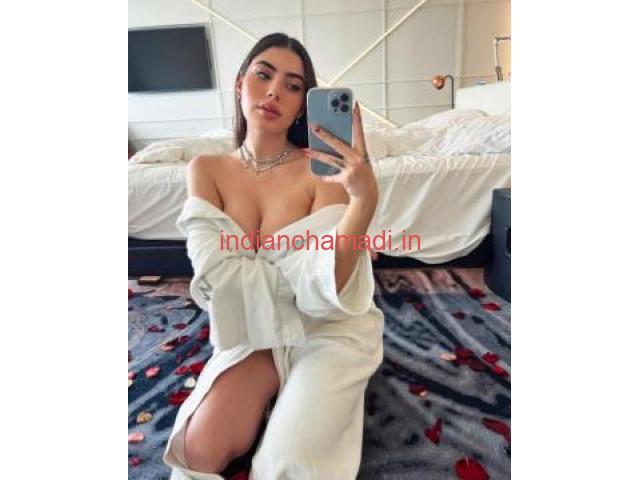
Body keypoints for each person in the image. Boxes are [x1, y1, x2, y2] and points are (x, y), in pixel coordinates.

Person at [163, 32, 384, 480]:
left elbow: (329, 283)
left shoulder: (324, 172)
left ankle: (308, 394)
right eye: (263, 75)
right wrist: (303, 267)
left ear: (302, 105)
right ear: (240, 83)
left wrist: (363, 203)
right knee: (196, 453)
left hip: (326, 328)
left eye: (293, 85)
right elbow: (215, 278)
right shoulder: (206, 169)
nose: (274, 92)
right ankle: (275, 391)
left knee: (289, 467)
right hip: (252, 327)